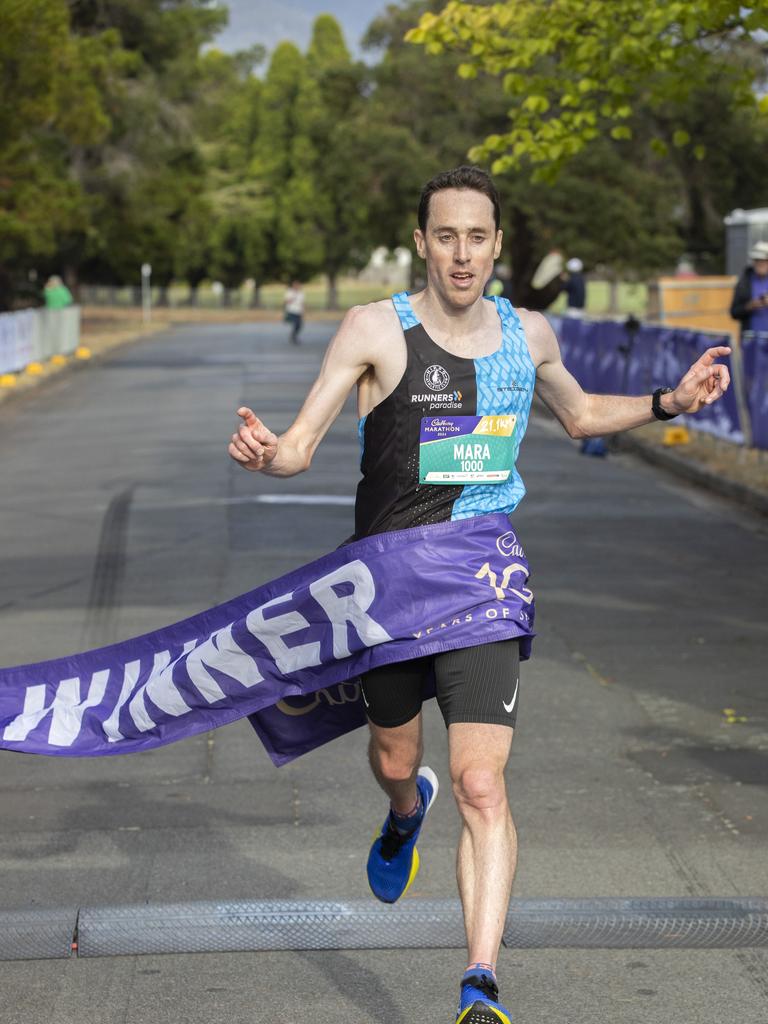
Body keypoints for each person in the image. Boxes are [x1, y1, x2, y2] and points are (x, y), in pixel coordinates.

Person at [228, 166, 731, 1024]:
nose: (462, 254)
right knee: (396, 758)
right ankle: (400, 811)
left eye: (478, 237)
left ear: (498, 245)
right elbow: (302, 446)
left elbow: (577, 415)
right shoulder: (372, 330)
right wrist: (268, 453)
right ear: (421, 242)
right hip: (389, 584)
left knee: (483, 785)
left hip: (483, 579)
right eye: (446, 235)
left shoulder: (527, 333)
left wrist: (666, 400)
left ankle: (480, 983)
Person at [730, 240, 768, 337]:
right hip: (750, 341)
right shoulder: (744, 282)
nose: (760, 264)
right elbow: (734, 312)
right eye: (757, 260)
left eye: (764, 260)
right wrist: (749, 306)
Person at [283, 280, 305, 344]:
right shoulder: (289, 292)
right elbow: (286, 302)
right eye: (296, 285)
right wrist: (293, 297)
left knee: (299, 325)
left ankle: (293, 336)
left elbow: (302, 303)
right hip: (291, 310)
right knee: (295, 324)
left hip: (298, 311)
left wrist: (303, 311)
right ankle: (294, 338)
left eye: (298, 285)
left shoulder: (301, 293)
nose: (297, 287)